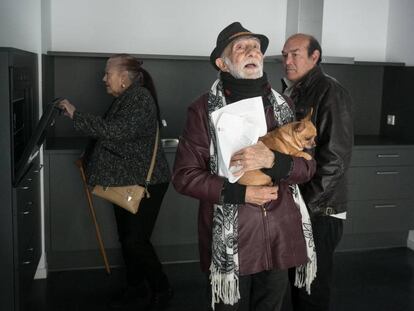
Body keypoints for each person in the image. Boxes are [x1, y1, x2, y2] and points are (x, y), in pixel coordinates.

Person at [172, 22, 316, 311]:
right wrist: (241, 194)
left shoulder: (285, 106)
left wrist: (273, 160)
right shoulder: (202, 110)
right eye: (241, 47)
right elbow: (184, 177)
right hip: (234, 238)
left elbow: (307, 170)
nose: (253, 52)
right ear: (222, 63)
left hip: (280, 232)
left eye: (256, 47)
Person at [59, 54, 173, 310]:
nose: (103, 78)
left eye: (107, 73)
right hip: (127, 180)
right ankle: (136, 287)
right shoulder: (127, 97)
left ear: (123, 77)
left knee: (135, 240)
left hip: (145, 183)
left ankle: (162, 287)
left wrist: (75, 114)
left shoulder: (139, 98)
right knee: (127, 238)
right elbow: (113, 135)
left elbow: (116, 131)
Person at [281, 34, 353, 311]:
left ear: (315, 56)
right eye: (285, 55)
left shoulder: (329, 91)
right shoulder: (293, 90)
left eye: (295, 54)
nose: (288, 61)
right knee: (298, 282)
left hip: (319, 210)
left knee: (312, 287)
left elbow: (334, 160)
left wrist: (306, 207)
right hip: (300, 207)